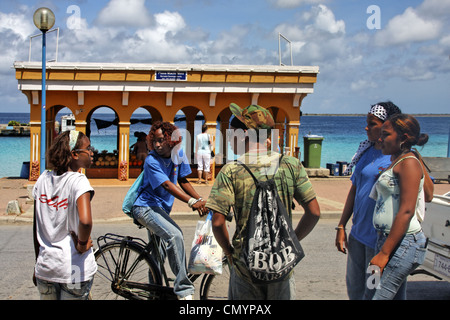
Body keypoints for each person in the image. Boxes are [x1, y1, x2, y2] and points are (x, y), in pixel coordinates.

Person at [207, 103, 321, 300]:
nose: (229, 137)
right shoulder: (291, 164)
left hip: (245, 268)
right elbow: (314, 212)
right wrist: (291, 241)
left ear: (244, 135)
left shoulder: (231, 170)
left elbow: (217, 222)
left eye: (231, 133)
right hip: (282, 265)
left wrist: (229, 253)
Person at [131, 121, 208, 300]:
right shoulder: (151, 160)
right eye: (155, 141)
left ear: (171, 140)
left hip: (161, 210)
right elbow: (166, 184)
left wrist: (199, 199)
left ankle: (154, 292)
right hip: (145, 208)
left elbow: (182, 180)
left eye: (161, 141)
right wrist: (191, 202)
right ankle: (183, 290)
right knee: (175, 235)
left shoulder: (178, 154)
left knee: (158, 254)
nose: (157, 145)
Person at [335, 102, 402, 300]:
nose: (366, 128)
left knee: (374, 293)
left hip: (380, 243)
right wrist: (341, 226)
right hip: (358, 238)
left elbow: (425, 193)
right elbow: (354, 190)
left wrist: (409, 152)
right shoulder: (367, 152)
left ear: (387, 126)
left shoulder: (397, 156)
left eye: (372, 123)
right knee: (355, 292)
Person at [369, 114, 430, 300]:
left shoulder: (409, 163)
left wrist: (384, 253)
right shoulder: (396, 161)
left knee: (379, 296)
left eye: (386, 134)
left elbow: (406, 210)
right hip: (385, 240)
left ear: (403, 138)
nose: (380, 139)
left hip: (403, 244)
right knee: (371, 289)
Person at [32, 130, 97, 300]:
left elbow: (36, 227)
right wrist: (82, 244)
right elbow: (85, 221)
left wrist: (37, 262)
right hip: (73, 269)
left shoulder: (42, 180)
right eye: (88, 148)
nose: (92, 152)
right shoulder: (78, 180)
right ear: (74, 154)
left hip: (46, 268)